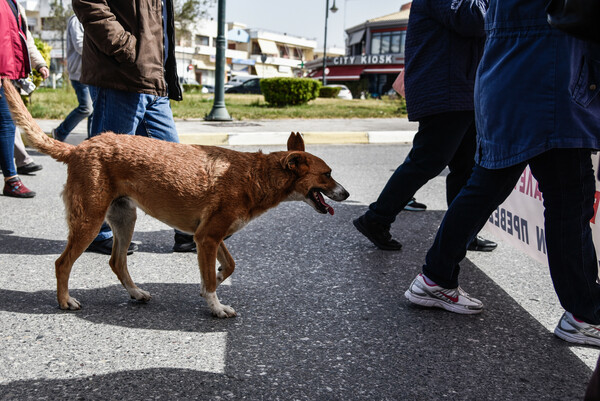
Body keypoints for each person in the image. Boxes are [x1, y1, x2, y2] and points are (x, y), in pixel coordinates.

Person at [404, 0, 600, 348]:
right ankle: (585, 313)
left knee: (485, 186)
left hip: (507, 77)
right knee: (569, 199)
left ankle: (435, 276)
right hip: (551, 80)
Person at [353, 0, 497, 253]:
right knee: (427, 162)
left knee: (465, 169)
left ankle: (462, 233)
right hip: (445, 91)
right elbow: (471, 19)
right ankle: (376, 218)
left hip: (464, 91)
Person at [73, 0, 196, 254]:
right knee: (106, 165)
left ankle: (187, 230)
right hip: (121, 76)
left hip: (152, 78)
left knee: (175, 162)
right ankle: (97, 233)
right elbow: (88, 3)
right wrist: (125, 47)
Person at [0, 0, 37, 198]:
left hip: (7, 74)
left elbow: (21, 37)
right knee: (6, 124)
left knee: (7, 124)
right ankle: (11, 180)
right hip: (3, 73)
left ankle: (11, 179)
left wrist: (37, 63)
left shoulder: (11, 3)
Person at [14, 1, 49, 175]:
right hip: (5, 72)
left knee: (9, 120)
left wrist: (40, 63)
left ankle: (20, 161)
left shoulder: (16, 7)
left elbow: (26, 40)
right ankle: (20, 162)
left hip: (11, 74)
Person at [51, 14, 92, 142]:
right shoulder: (76, 20)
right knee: (86, 108)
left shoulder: (92, 18)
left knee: (95, 110)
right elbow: (80, 46)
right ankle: (60, 132)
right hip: (79, 74)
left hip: (92, 73)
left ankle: (93, 140)